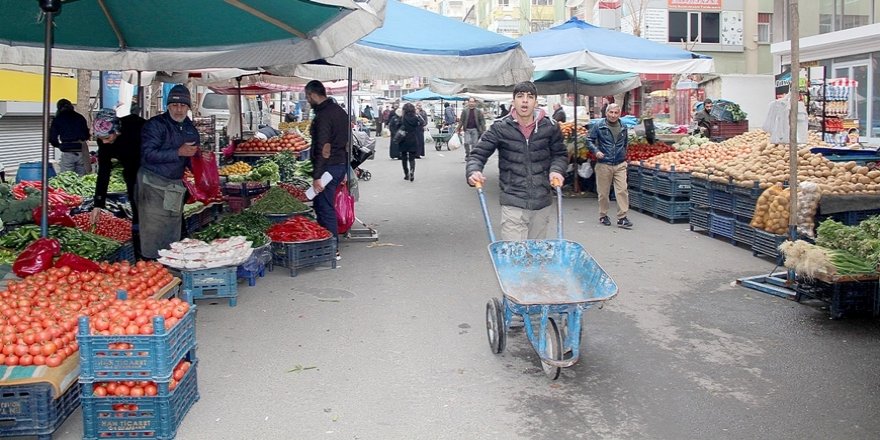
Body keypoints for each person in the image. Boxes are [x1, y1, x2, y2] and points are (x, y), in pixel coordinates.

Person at [466, 81, 567, 240]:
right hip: (513, 200)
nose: (525, 100)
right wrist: (474, 171)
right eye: (520, 96)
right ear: (513, 102)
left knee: (536, 252)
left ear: (536, 102)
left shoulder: (550, 127)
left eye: (530, 97)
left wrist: (557, 170)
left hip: (542, 202)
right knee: (514, 253)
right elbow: (478, 155)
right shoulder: (500, 127)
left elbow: (560, 154)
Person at [137, 84, 201, 260]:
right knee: (153, 225)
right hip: (153, 182)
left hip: (174, 183)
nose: (178, 109)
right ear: (168, 106)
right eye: (174, 105)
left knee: (172, 222)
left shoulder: (190, 129)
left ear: (188, 107)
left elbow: (191, 156)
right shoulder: (155, 125)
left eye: (182, 105)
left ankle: (170, 261)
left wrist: (200, 161)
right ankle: (151, 263)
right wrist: (178, 152)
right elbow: (147, 154)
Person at [305, 80, 350, 258]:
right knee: (322, 205)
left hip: (328, 168)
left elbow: (323, 147)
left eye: (307, 96)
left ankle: (332, 248)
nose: (307, 100)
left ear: (312, 94)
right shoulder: (339, 111)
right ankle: (325, 244)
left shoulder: (324, 115)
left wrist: (317, 176)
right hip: (339, 165)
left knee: (325, 208)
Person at [588, 103, 632, 229]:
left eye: (616, 113)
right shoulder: (599, 125)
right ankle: (603, 215)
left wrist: (624, 154)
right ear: (606, 113)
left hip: (620, 163)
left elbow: (625, 142)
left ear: (619, 114)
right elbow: (589, 140)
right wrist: (596, 151)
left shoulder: (623, 126)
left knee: (622, 190)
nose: (613, 115)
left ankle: (622, 217)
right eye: (611, 112)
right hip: (604, 163)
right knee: (603, 193)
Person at [49, 98, 90, 175]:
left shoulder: (58, 119)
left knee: (67, 177)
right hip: (81, 151)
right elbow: (87, 135)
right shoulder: (80, 117)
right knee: (82, 178)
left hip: (67, 152)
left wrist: (59, 145)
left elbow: (52, 138)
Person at [396, 103, 424, 182]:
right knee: (412, 157)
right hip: (413, 138)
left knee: (404, 157)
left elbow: (397, 126)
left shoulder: (402, 118)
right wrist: (418, 115)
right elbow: (422, 122)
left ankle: (406, 174)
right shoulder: (415, 118)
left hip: (403, 139)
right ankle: (412, 171)